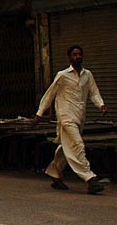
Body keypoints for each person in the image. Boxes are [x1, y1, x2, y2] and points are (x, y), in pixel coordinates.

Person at [33, 44, 108, 194]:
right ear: (69, 58)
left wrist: (101, 105)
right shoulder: (63, 75)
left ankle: (55, 173)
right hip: (66, 116)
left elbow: (93, 92)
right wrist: (39, 114)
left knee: (66, 147)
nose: (77, 57)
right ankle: (90, 179)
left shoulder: (88, 75)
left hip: (79, 116)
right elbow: (50, 94)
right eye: (74, 55)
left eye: (79, 54)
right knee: (78, 145)